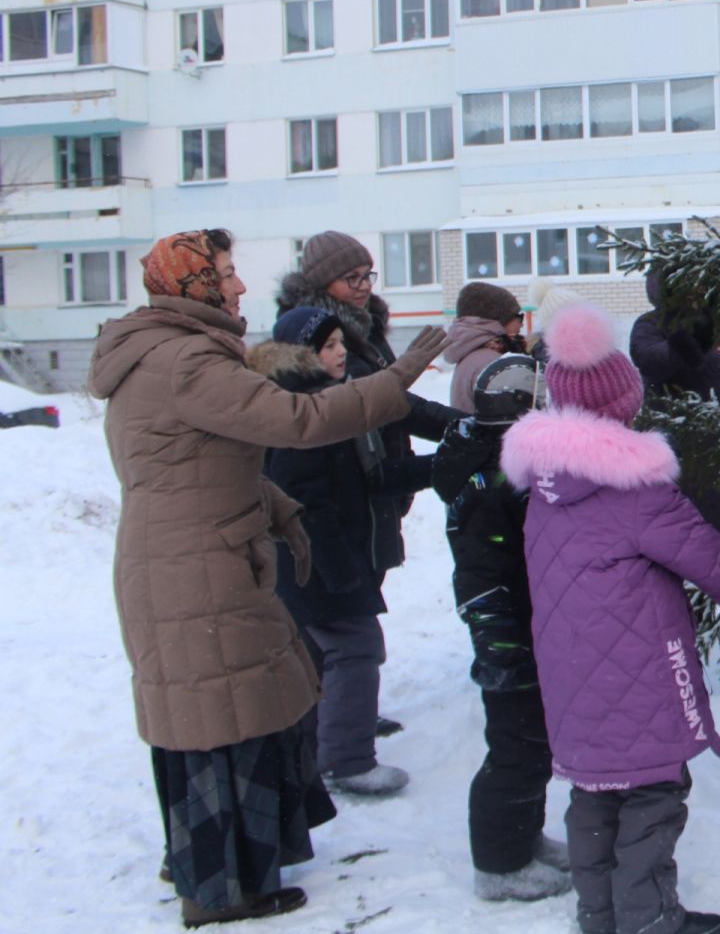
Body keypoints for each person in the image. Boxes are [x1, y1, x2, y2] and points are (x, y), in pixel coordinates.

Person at [88, 229, 446, 928]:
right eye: (225, 273)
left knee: (239, 711)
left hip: (194, 552)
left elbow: (188, 463)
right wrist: (396, 379)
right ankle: (215, 889)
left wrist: (272, 506)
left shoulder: (167, 352)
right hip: (193, 566)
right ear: (193, 285)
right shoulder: (187, 360)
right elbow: (300, 419)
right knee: (216, 719)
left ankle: (224, 864)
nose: (241, 285)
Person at [503, 302, 720, 934]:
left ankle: (598, 915)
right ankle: (650, 917)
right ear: (625, 403)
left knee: (593, 796)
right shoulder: (635, 486)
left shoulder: (545, 481)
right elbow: (707, 557)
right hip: (639, 667)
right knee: (652, 796)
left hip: (569, 670)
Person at [277, 231, 461, 737]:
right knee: (341, 624)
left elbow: (391, 404)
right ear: (321, 282)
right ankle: (333, 722)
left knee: (350, 617)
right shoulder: (314, 340)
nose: (361, 286)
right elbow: (385, 403)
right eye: (350, 278)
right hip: (352, 488)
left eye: (367, 275)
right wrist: (456, 430)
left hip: (374, 484)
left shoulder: (363, 326)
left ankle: (344, 707)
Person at [251, 307, 413, 797]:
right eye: (327, 346)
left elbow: (370, 479)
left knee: (319, 655)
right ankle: (346, 761)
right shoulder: (302, 413)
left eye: (341, 342)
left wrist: (439, 468)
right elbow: (306, 503)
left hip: (323, 560)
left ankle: (318, 751)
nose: (341, 352)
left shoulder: (324, 402)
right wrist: (342, 574)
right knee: (356, 647)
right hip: (317, 563)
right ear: (300, 355)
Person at [433, 354, 571, 901]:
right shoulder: (490, 484)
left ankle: (524, 837)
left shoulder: (502, 466)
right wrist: (503, 650)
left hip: (525, 631)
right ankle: (499, 862)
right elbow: (483, 580)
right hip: (508, 642)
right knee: (515, 748)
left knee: (533, 745)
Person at [630, 264, 720, 548]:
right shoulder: (650, 325)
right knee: (686, 540)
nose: (697, 292)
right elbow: (651, 359)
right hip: (679, 451)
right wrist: (688, 339)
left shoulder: (708, 325)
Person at [444, 281, 527, 414]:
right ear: (497, 320)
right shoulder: (491, 363)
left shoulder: (475, 354)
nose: (521, 324)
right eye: (517, 316)